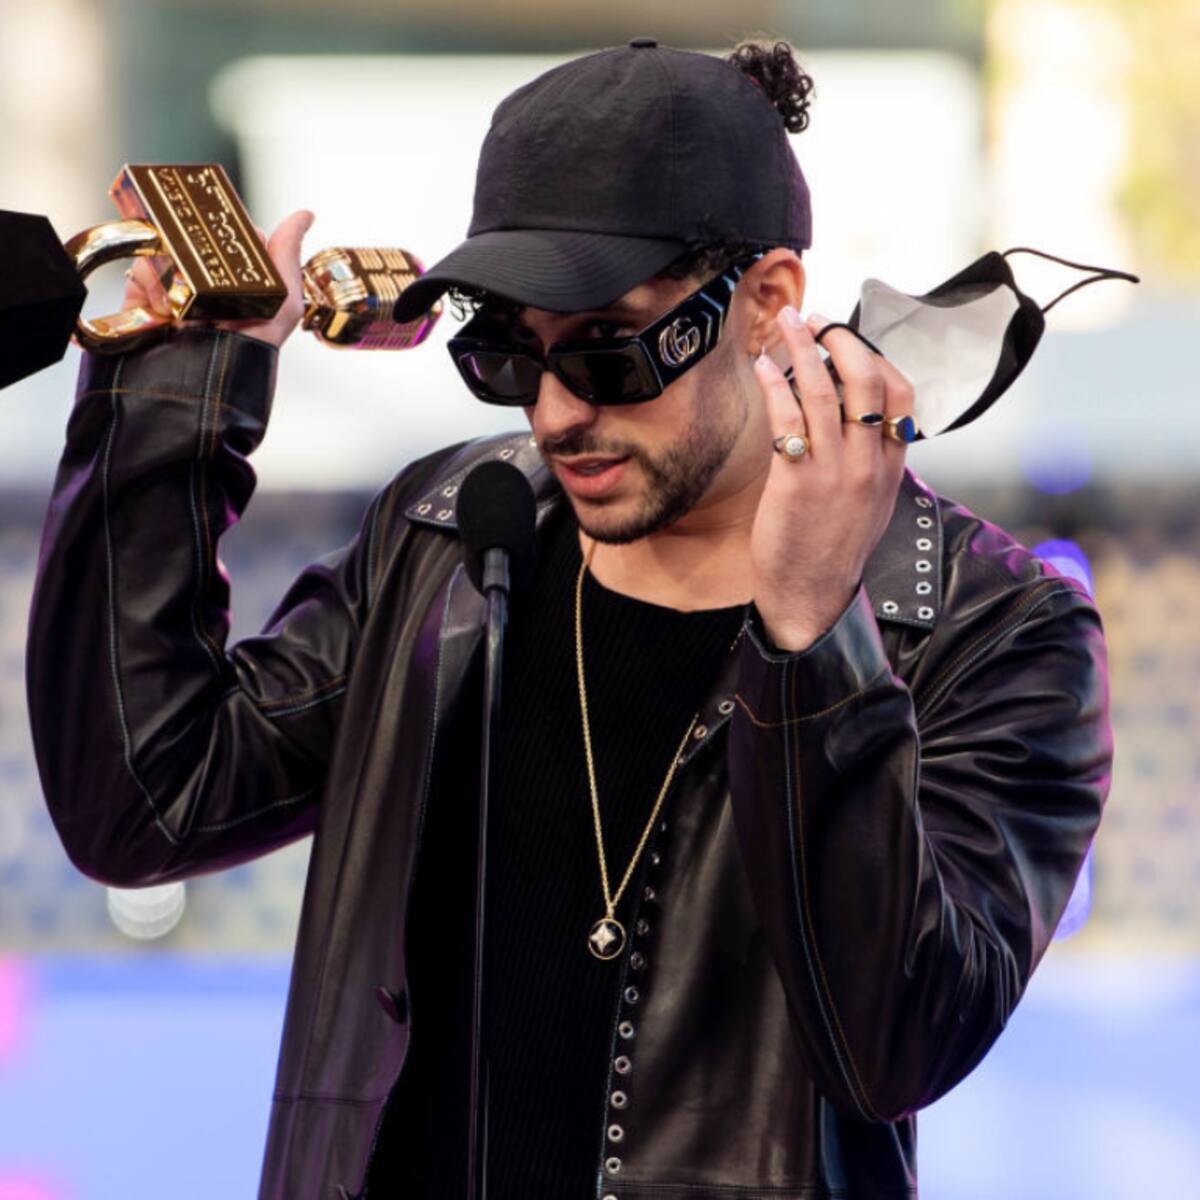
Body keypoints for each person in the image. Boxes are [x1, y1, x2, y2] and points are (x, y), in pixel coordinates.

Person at [26, 38, 1111, 1200]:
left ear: (766, 302)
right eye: (506, 353)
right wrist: (178, 403)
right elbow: (146, 802)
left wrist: (812, 634)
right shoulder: (450, 535)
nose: (552, 414)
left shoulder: (991, 629)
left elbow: (894, 1043)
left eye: (606, 353)